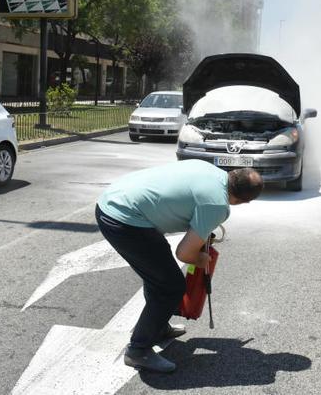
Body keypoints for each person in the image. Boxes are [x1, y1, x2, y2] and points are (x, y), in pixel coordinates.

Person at [95, 160, 263, 373]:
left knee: (159, 275)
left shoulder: (210, 170)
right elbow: (184, 253)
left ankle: (157, 327)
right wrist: (201, 260)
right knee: (170, 286)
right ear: (241, 201)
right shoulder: (217, 204)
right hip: (123, 219)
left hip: (113, 199)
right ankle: (138, 351)